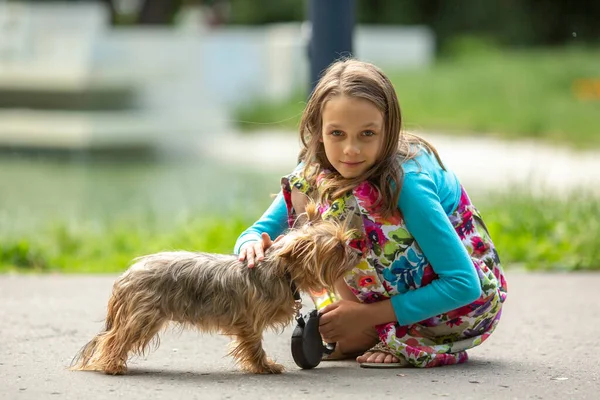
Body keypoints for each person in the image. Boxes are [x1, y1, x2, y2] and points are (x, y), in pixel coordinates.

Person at [234, 59, 507, 368]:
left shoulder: (407, 184)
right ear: (318, 131)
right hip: (392, 293)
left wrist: (367, 315)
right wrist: (251, 247)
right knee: (304, 188)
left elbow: (463, 285)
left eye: (367, 134)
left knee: (355, 202)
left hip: (458, 309)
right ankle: (365, 327)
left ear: (387, 131)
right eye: (337, 133)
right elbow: (254, 233)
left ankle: (382, 329)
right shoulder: (312, 171)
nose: (351, 149)